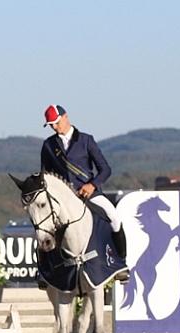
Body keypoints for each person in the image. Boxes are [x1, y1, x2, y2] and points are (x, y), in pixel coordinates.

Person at [40, 104, 129, 283]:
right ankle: (44, 272)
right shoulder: (49, 145)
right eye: (50, 125)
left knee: (113, 216)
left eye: (56, 123)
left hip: (88, 192)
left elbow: (105, 169)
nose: (54, 127)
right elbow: (45, 176)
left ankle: (121, 264)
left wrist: (92, 185)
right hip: (63, 200)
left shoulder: (86, 140)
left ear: (65, 117)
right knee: (43, 227)